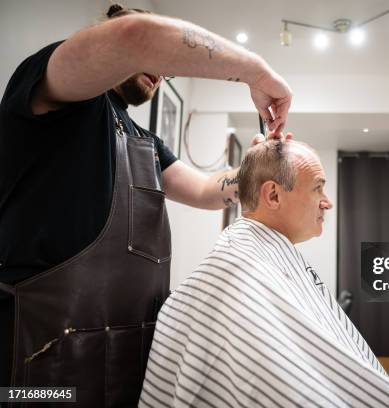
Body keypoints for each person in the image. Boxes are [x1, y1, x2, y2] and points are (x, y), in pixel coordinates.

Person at [0, 3, 291, 405]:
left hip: (126, 357)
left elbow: (208, 191)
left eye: (164, 69)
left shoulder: (146, 143)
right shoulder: (56, 87)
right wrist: (257, 72)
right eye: (157, 58)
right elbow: (137, 38)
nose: (159, 71)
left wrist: (259, 167)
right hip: (40, 359)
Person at [141, 140, 389, 407]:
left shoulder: (258, 254)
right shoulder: (241, 268)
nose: (327, 202)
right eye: (318, 188)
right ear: (273, 194)